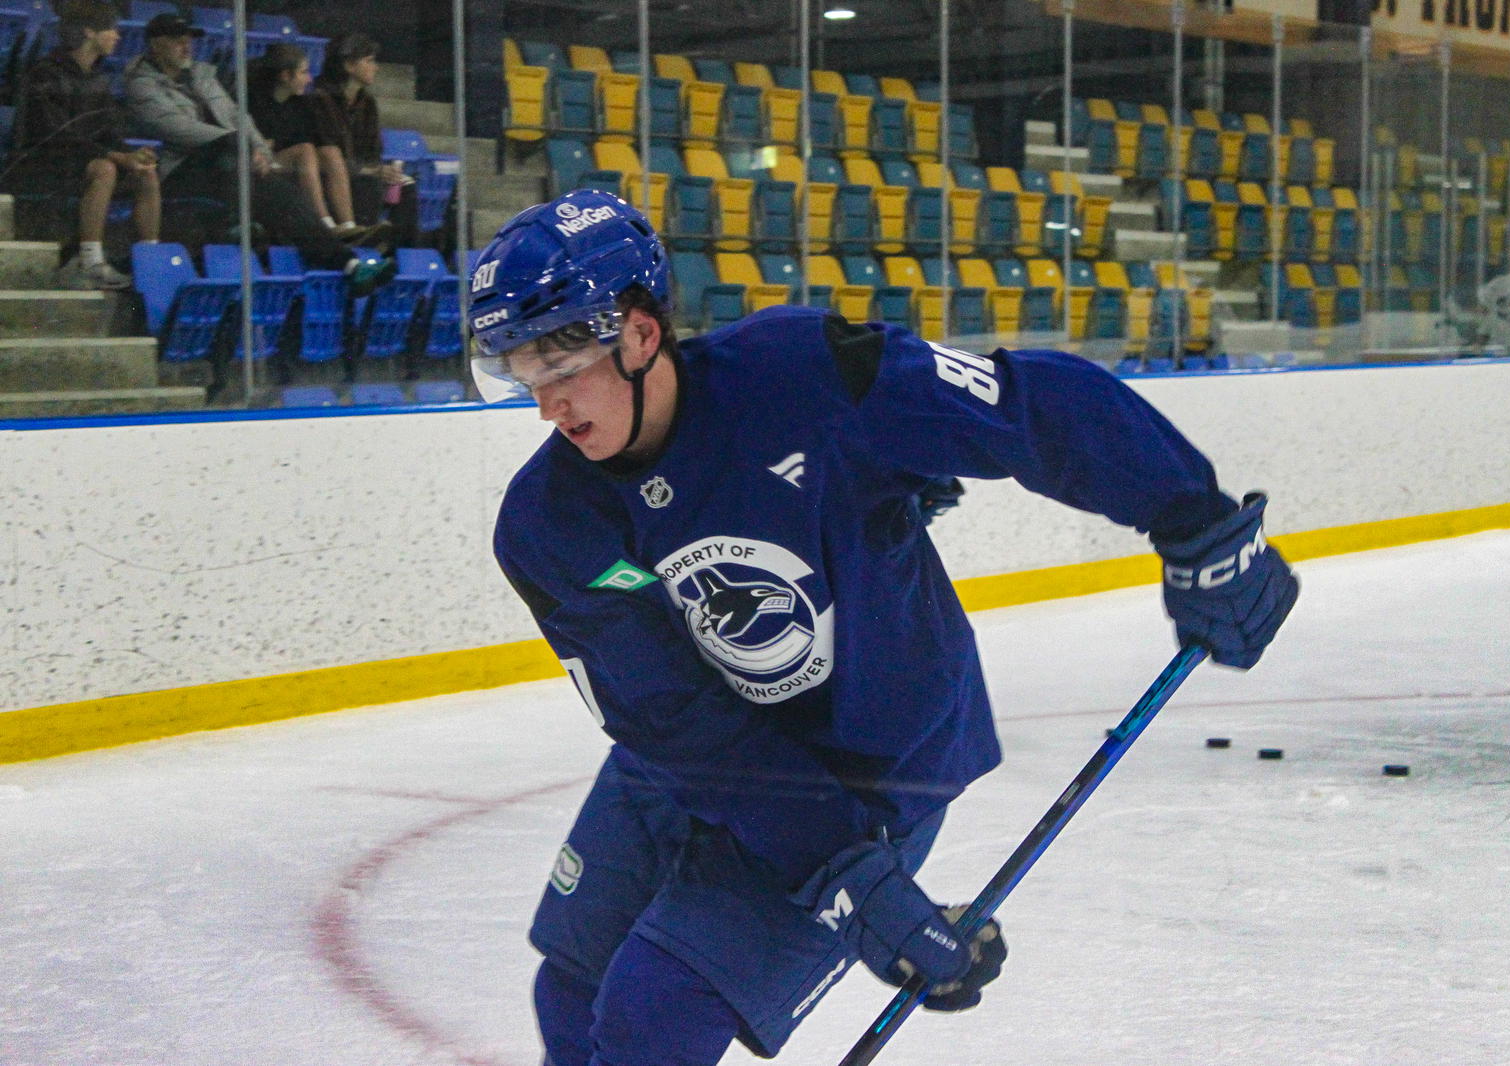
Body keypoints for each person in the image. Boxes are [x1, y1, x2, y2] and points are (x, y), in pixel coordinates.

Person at [471, 190, 1299, 1066]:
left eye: (563, 371)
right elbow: (671, 715)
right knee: (570, 983)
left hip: (870, 761)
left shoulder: (800, 377)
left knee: (653, 1021)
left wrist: (1199, 525)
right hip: (697, 758)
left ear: (639, 336)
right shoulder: (548, 523)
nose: (547, 407)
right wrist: (838, 876)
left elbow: (1028, 410)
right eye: (526, 374)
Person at [122, 13, 395, 296]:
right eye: (177, 41)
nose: (186, 47)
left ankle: (349, 264)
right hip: (180, 171)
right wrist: (241, 146)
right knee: (260, 180)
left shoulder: (201, 75)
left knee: (282, 191)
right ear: (156, 45)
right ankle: (342, 257)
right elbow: (178, 128)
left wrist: (261, 152)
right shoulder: (142, 84)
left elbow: (238, 117)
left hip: (228, 166)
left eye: (188, 40)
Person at [4, 0, 160, 289]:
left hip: (80, 159)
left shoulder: (99, 79)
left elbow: (109, 132)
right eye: (111, 30)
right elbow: (53, 135)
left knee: (146, 170)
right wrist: (114, 156)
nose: (117, 36)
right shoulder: (45, 73)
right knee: (104, 169)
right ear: (89, 32)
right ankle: (90, 261)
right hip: (39, 162)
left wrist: (131, 154)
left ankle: (152, 259)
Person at [246, 43, 383, 243]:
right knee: (305, 150)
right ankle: (324, 223)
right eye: (303, 72)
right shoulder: (254, 101)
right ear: (285, 76)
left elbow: (306, 137)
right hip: (261, 163)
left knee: (330, 151)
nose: (309, 78)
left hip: (289, 158)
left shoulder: (301, 105)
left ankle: (349, 225)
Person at [308, 33, 419, 247]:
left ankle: (398, 253)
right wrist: (370, 170)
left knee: (406, 185)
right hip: (330, 179)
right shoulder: (319, 101)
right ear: (349, 65)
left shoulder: (367, 104)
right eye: (369, 61)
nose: (375, 67)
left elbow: (373, 152)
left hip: (363, 172)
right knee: (369, 182)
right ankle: (361, 241)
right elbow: (325, 151)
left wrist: (382, 170)